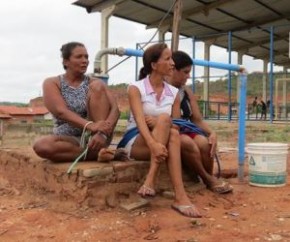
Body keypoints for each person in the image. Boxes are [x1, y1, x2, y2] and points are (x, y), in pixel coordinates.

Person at [117, 43, 201, 218]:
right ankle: (176, 194)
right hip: (137, 141)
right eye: (168, 58)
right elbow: (139, 121)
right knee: (165, 121)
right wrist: (153, 144)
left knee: (168, 126)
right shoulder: (135, 88)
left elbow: (176, 124)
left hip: (162, 139)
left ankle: (164, 187)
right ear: (154, 65)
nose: (172, 63)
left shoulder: (174, 92)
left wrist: (157, 123)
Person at [33, 41, 123, 163]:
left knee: (97, 86)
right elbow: (61, 112)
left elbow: (115, 110)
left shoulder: (95, 83)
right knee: (42, 146)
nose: (85, 60)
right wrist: (89, 125)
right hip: (68, 139)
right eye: (79, 57)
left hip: (96, 138)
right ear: (65, 62)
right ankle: (96, 154)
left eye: (86, 57)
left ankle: (97, 148)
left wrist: (101, 133)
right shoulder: (52, 83)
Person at [167, 50, 232, 194]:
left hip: (186, 129)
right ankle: (208, 179)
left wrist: (212, 133)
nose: (188, 76)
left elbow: (197, 119)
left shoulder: (186, 92)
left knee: (205, 142)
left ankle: (207, 179)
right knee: (189, 144)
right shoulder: (163, 89)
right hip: (171, 130)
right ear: (173, 70)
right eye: (185, 72)